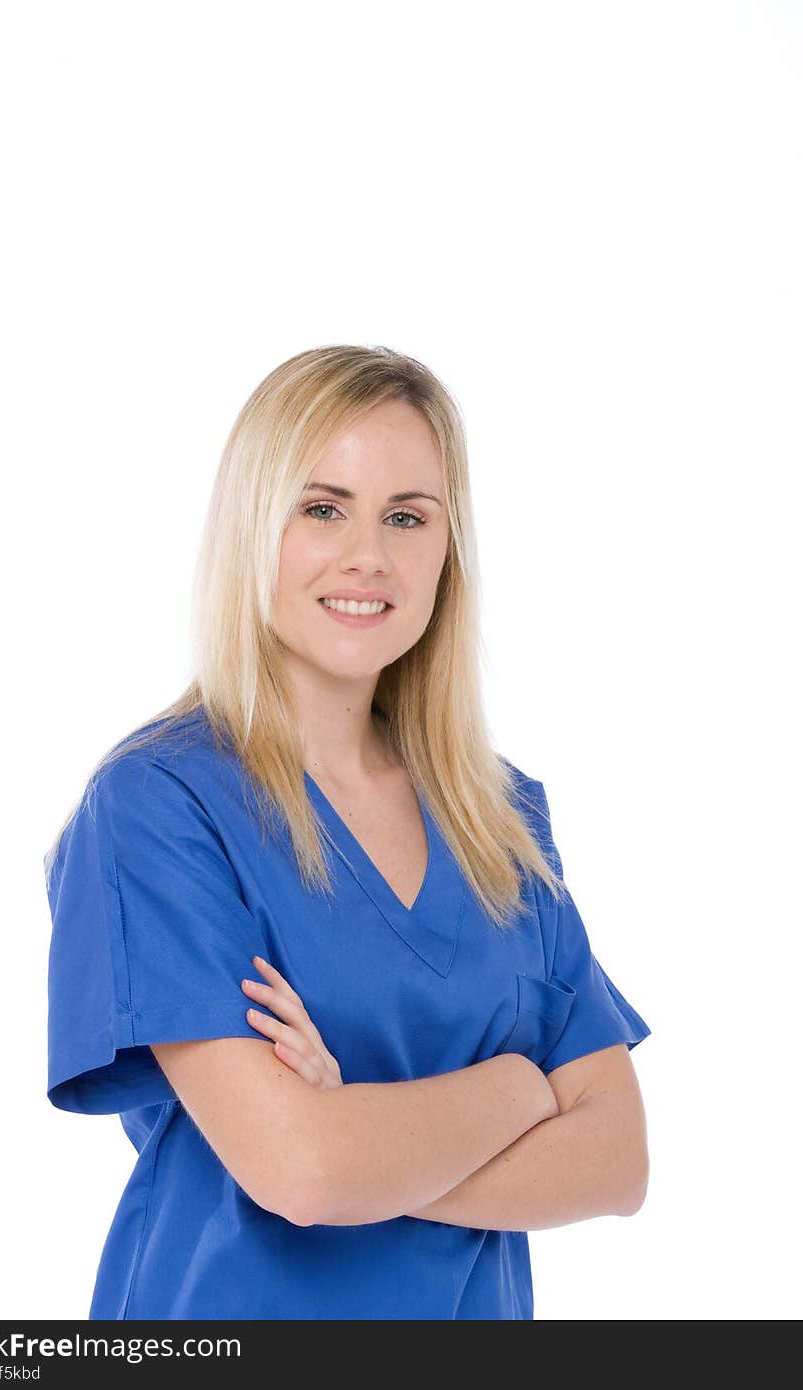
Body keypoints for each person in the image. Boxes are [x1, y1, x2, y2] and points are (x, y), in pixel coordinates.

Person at [43, 343, 651, 1321]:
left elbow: (617, 1160)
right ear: (253, 527)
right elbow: (303, 1171)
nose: (368, 555)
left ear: (447, 551)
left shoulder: (498, 819)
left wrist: (363, 1138)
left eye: (407, 517)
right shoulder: (159, 808)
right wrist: (513, 1089)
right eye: (322, 507)